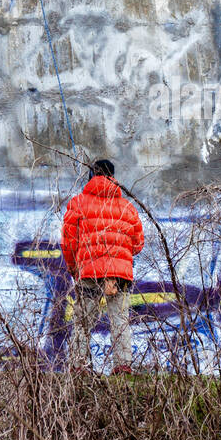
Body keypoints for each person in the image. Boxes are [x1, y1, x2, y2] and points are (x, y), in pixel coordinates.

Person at [60, 158, 144, 374]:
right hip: (120, 275)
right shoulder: (127, 207)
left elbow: (69, 241)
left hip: (88, 271)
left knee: (84, 321)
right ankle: (123, 366)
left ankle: (79, 366)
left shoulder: (78, 203)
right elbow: (138, 243)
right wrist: (120, 256)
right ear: (113, 177)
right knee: (120, 321)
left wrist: (73, 268)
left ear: (91, 176)